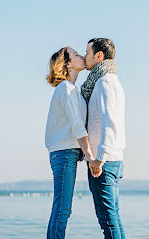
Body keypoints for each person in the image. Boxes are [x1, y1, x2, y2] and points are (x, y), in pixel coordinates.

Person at [44, 46, 100, 239]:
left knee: (61, 208)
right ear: (67, 64)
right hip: (64, 153)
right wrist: (91, 157)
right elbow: (77, 126)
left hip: (65, 153)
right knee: (62, 209)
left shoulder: (71, 90)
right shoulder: (66, 90)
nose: (82, 56)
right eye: (76, 55)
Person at [81, 38, 126, 239]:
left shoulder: (104, 83)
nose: (84, 56)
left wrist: (99, 158)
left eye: (87, 52)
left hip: (104, 162)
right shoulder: (110, 81)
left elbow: (111, 123)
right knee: (113, 218)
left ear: (99, 56)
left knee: (108, 220)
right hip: (112, 159)